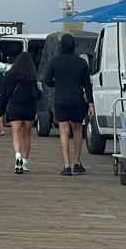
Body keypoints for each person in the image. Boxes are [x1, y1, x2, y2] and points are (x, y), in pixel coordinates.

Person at [43, 32, 95, 176]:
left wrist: (57, 84)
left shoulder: (55, 61)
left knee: (64, 131)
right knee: (78, 130)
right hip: (78, 100)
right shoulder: (81, 62)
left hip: (61, 100)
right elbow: (87, 85)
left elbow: (46, 80)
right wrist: (90, 103)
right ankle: (77, 162)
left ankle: (66, 166)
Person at [0, 51, 40, 174]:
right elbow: (35, 94)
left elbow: (4, 95)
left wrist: (1, 110)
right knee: (26, 135)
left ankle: (17, 156)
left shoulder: (9, 76)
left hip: (15, 108)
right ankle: (25, 162)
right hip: (28, 109)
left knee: (15, 135)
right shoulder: (32, 77)